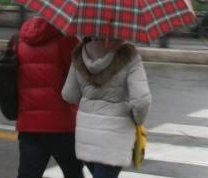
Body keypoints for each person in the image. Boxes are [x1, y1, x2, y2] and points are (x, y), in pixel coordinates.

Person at [62, 37, 152, 178]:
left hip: (86, 137)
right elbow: (142, 101)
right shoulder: (129, 56)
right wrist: (137, 120)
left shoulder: (79, 54)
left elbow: (69, 95)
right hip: (115, 140)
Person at [15, 16, 83, 178]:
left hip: (28, 125)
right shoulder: (67, 40)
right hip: (62, 125)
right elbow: (77, 81)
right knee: (73, 173)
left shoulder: (21, 38)